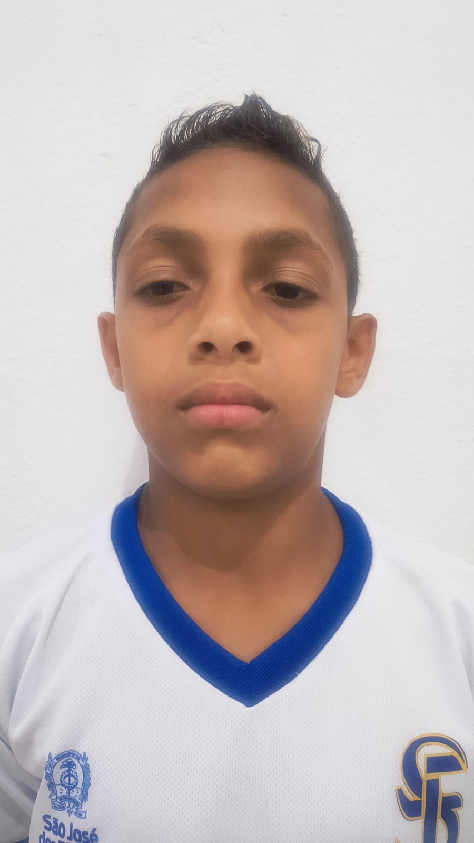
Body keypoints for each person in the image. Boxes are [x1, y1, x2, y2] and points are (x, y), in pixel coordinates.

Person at [0, 93, 472, 843]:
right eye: (164, 286)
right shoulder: (20, 628)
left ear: (352, 353)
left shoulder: (456, 633)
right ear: (115, 349)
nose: (223, 328)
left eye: (286, 289)